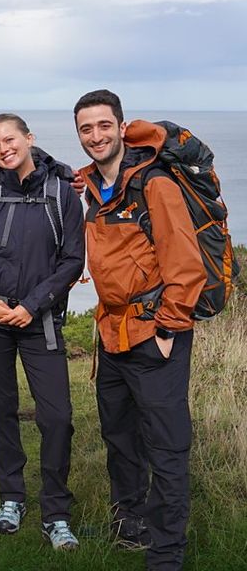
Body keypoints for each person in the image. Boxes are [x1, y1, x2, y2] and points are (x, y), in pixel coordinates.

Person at [74, 90, 205, 570]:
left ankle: (167, 551)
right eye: (86, 129)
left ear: (121, 127)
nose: (95, 136)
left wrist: (169, 328)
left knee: (166, 443)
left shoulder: (154, 186)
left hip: (155, 334)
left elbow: (186, 265)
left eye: (103, 126)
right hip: (111, 335)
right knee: (120, 436)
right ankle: (129, 522)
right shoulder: (91, 187)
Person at [0, 113, 84, 550]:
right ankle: (11, 496)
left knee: (58, 418)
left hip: (40, 321)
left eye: (10, 140)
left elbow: (71, 261)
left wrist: (31, 305)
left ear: (29, 138)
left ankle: (56, 512)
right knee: (2, 411)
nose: (3, 149)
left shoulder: (61, 194)